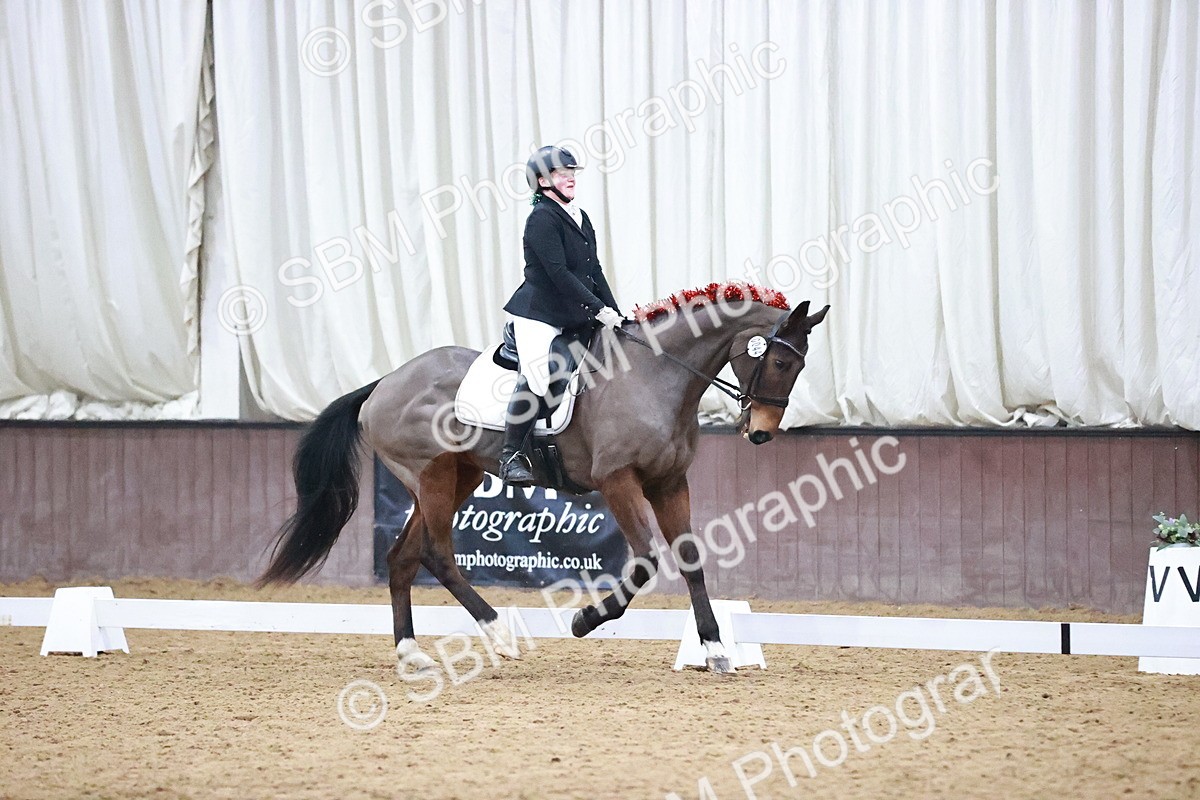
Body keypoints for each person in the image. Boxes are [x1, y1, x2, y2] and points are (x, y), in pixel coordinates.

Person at [499, 145, 623, 484]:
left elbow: (593, 271)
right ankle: (510, 456)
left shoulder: (580, 217)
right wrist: (598, 309)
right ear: (542, 182)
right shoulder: (541, 219)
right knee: (541, 377)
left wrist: (616, 313)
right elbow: (559, 274)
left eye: (571, 172)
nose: (569, 177)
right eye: (559, 173)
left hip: (574, 314)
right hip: (538, 315)